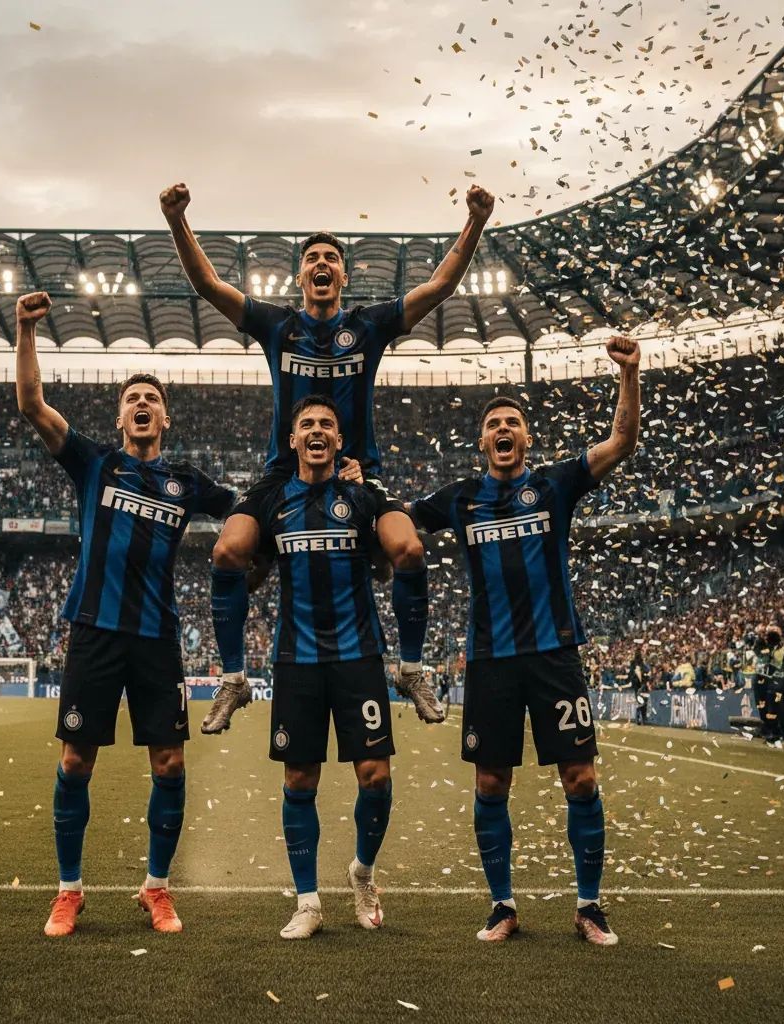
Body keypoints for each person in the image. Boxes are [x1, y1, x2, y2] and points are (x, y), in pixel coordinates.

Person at [160, 181, 496, 731]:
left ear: (343, 276)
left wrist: (475, 222)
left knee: (408, 549)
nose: (321, 264)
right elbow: (207, 284)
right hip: (281, 475)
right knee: (227, 553)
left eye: (330, 259)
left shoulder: (367, 326)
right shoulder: (278, 326)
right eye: (312, 258)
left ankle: (411, 668)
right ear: (301, 277)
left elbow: (437, 286)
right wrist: (177, 220)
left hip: (358, 474)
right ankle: (233, 677)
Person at [15, 291, 235, 938]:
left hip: (156, 639)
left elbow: (250, 515)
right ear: (120, 419)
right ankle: (69, 891)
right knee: (75, 761)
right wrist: (26, 329)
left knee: (168, 764)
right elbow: (32, 404)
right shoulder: (95, 463)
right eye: (132, 399)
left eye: (152, 399)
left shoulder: (185, 482)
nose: (142, 405)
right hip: (94, 631)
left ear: (164, 418)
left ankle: (156, 889)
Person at [411, 335, 641, 946]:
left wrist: (629, 374)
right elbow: (398, 524)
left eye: (513, 421)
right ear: (483, 442)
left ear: (526, 437)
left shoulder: (556, 484)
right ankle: (502, 905)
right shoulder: (460, 499)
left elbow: (621, 442)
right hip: (489, 660)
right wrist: (358, 486)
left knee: (581, 778)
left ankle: (589, 906)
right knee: (491, 783)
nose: (504, 429)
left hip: (554, 654)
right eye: (494, 424)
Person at [211, 395, 396, 940]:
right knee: (299, 778)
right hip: (297, 660)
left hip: (359, 656)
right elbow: (252, 571)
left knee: (376, 778)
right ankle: (308, 902)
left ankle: (361, 872)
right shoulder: (273, 501)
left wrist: (369, 501)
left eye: (328, 425)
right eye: (307, 425)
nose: (317, 431)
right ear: (291, 441)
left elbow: (386, 569)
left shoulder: (361, 496)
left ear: (340, 442)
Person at [760, 625, 784, 746]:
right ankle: (778, 734)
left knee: (781, 708)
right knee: (776, 709)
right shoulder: (770, 650)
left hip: (782, 682)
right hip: (776, 682)